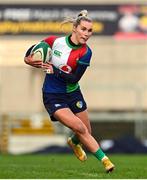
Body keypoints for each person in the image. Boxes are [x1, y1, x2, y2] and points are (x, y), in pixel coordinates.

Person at [24, 10, 115, 173]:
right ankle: (106, 161)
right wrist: (36, 62)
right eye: (83, 29)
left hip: (73, 93)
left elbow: (74, 78)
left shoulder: (86, 52)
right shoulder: (54, 42)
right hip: (53, 95)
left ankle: (74, 143)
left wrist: (54, 69)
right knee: (80, 128)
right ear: (74, 28)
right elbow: (27, 57)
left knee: (86, 130)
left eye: (90, 31)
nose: (87, 34)